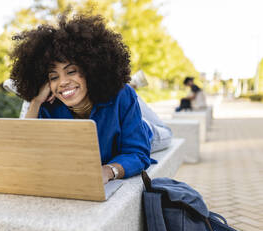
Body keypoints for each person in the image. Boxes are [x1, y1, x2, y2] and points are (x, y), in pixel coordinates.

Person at [10, 14, 172, 184]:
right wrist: (35, 102)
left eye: (71, 71)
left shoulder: (121, 95)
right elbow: (25, 152)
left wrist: (109, 170)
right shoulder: (47, 106)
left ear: (90, 69)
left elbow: (137, 153)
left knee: (136, 103)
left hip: (146, 134)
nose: (63, 82)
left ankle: (132, 87)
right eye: (54, 76)